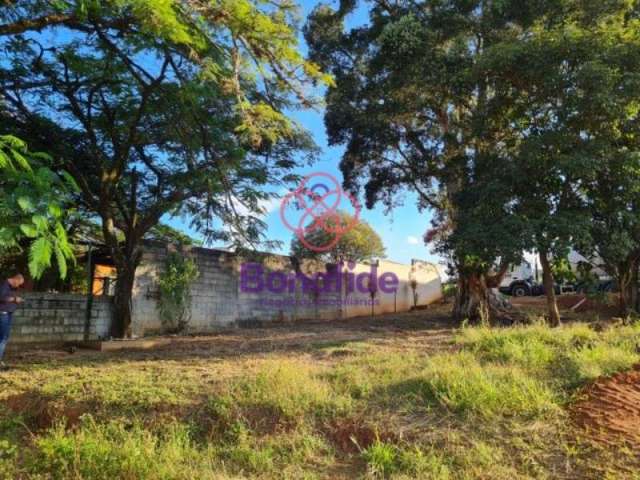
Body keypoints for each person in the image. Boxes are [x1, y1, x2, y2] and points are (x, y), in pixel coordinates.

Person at [0, 274, 25, 370]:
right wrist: (15, 299)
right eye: (19, 283)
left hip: (8, 313)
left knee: (4, 337)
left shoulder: (11, 287)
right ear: (15, 279)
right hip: (3, 314)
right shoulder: (4, 285)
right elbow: (1, 297)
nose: (18, 286)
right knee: (3, 338)